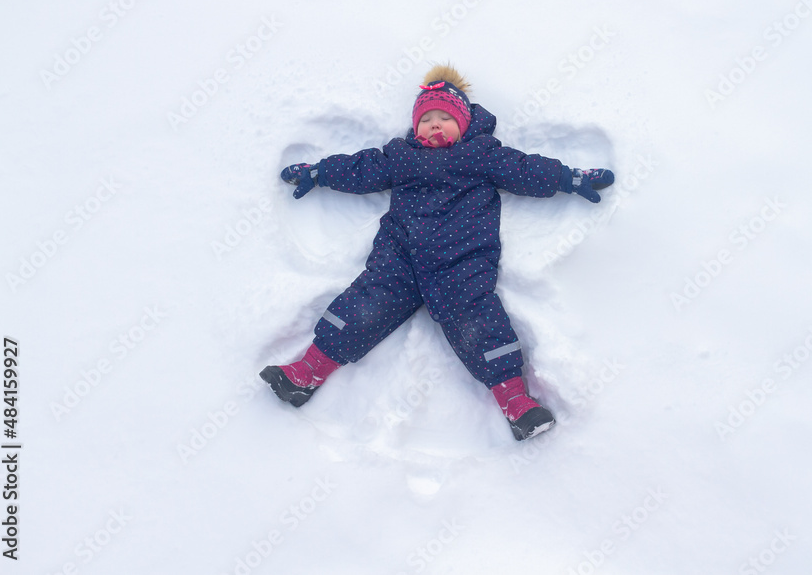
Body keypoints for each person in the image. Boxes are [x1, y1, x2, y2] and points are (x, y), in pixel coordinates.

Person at [260, 64, 614, 440]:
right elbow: (360, 169)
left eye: (445, 117)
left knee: (480, 322)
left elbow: (524, 169)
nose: (434, 124)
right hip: (399, 257)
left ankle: (515, 401)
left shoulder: (481, 153)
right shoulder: (401, 155)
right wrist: (319, 173)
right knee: (363, 304)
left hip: (460, 261)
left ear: (463, 122)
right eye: (426, 118)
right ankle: (307, 373)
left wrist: (569, 178)